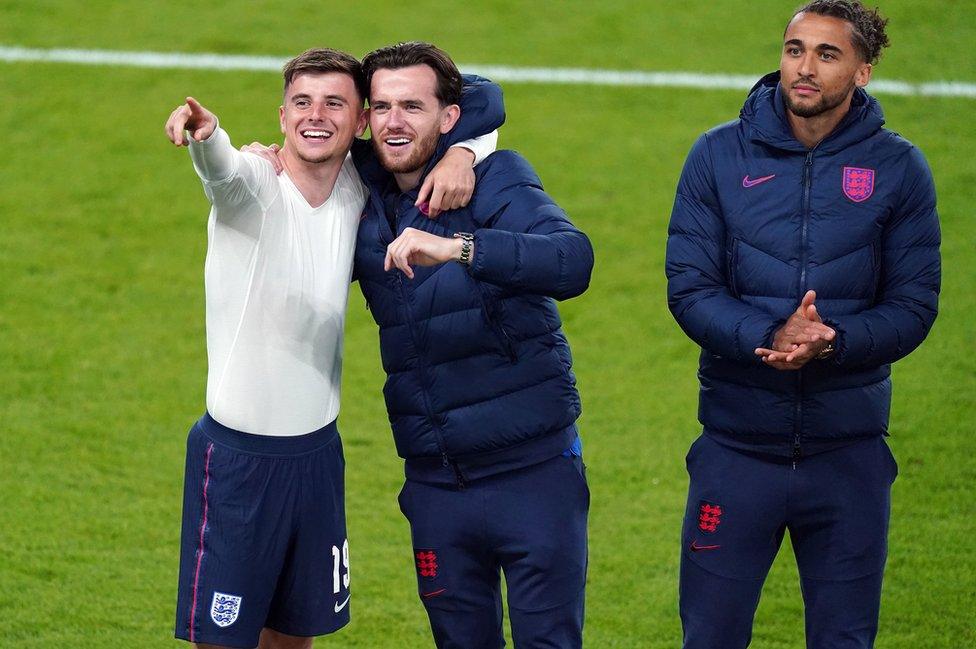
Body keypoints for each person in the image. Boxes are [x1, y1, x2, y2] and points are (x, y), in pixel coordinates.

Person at [164, 47, 502, 649]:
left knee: (296, 636)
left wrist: (461, 151)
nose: (314, 116)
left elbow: (483, 104)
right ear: (282, 114)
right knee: (222, 642)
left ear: (361, 122)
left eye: (334, 103)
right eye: (301, 103)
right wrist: (207, 136)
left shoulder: (356, 183)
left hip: (319, 458)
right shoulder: (254, 185)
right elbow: (222, 172)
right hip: (239, 461)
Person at [665, 2, 940, 647]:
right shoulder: (715, 156)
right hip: (736, 452)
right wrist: (771, 335)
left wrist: (832, 341)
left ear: (863, 71)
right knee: (709, 637)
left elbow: (914, 305)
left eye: (826, 53)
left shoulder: (899, 169)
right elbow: (690, 288)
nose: (804, 68)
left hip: (849, 458)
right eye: (794, 50)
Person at [348, 41, 594, 649]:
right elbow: (309, 140)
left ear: (450, 116)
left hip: (532, 473)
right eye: (381, 107)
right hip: (436, 485)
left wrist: (461, 248)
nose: (395, 122)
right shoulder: (357, 196)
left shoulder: (495, 177)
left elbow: (572, 262)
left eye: (412, 105)